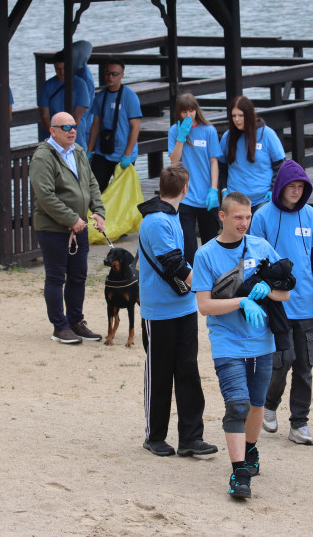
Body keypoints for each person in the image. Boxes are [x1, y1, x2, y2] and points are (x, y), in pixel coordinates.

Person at [194, 192, 290, 499]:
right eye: (238, 217)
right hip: (227, 343)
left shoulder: (261, 247)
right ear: (222, 216)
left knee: (257, 405)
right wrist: (242, 301)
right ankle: (239, 473)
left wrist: (267, 291)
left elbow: (285, 293)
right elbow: (205, 306)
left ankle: (250, 451)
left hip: (262, 342)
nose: (244, 223)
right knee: (237, 404)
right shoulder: (206, 254)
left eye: (247, 217)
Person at [136, 163, 218, 459]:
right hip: (159, 311)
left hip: (182, 307)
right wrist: (209, 288)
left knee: (188, 372)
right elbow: (174, 264)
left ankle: (190, 437)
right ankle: (154, 436)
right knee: (159, 375)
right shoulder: (157, 221)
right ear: (186, 189)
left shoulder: (173, 216)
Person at [250, 160, 313, 445]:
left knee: (304, 366)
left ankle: (300, 423)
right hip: (276, 303)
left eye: (300, 187)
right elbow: (253, 262)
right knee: (280, 362)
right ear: (280, 187)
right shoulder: (262, 216)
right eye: (291, 187)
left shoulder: (310, 216)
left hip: (306, 304)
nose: (296, 192)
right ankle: (270, 403)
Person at [30, 111, 106, 345]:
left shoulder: (79, 151)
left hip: (79, 228)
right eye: (65, 127)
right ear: (52, 131)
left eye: (73, 125)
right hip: (53, 228)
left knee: (78, 276)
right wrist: (72, 218)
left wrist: (98, 210)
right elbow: (45, 196)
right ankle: (59, 326)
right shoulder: (43, 157)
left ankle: (76, 321)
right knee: (55, 277)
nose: (72, 130)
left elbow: (91, 182)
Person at [168, 92, 222, 265]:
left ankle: (212, 281)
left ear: (196, 110)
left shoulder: (209, 131)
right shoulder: (175, 131)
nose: (188, 115)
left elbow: (214, 162)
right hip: (185, 197)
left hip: (207, 197)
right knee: (189, 246)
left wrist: (214, 189)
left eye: (191, 111)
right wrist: (181, 138)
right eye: (184, 112)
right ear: (179, 113)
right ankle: (192, 283)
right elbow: (174, 161)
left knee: (211, 243)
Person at [219, 96, 286, 211]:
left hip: (263, 199)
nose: (237, 120)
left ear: (249, 115)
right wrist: (224, 189)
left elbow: (280, 166)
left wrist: (273, 189)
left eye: (241, 115)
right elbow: (221, 166)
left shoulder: (267, 134)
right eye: (234, 116)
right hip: (236, 200)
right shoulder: (227, 137)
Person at [87, 57, 142, 191]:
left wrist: (127, 155)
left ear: (122, 75)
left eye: (114, 74)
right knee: (95, 189)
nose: (110, 76)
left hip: (123, 152)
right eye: (107, 73)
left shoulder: (130, 97)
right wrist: (89, 150)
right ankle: (96, 212)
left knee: (122, 193)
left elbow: (135, 127)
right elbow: (95, 125)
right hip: (103, 151)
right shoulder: (100, 96)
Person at [38, 48, 92, 149]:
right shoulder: (47, 86)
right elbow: (45, 116)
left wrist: (67, 136)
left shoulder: (80, 85)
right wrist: (55, 136)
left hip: (75, 138)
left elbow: (77, 116)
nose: (62, 72)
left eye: (64, 68)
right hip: (53, 138)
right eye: (58, 69)